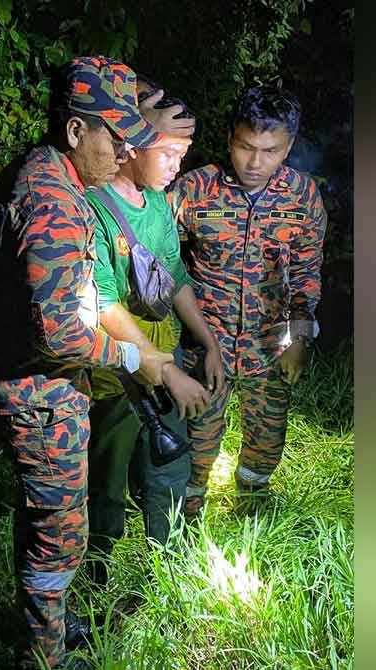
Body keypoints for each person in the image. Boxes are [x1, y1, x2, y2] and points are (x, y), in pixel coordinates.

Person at [0, 55, 173, 670]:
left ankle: (47, 624)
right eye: (116, 139)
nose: (126, 154)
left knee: (45, 524)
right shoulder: (53, 201)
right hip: (43, 400)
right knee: (60, 538)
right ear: (76, 130)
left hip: (46, 392)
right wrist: (133, 356)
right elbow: (58, 331)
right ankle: (46, 658)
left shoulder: (58, 180)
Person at [167, 85, 327, 520]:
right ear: (229, 138)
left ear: (288, 147)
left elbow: (307, 275)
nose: (255, 163)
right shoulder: (195, 190)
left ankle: (252, 510)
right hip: (206, 343)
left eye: (270, 150)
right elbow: (162, 261)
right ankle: (186, 521)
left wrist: (299, 339)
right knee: (198, 437)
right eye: (245, 147)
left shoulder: (302, 197)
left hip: (270, 345)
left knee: (266, 437)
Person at [84, 91, 223, 585]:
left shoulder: (159, 203)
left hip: (164, 351)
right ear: (131, 145)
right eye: (167, 153)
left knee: (169, 461)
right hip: (115, 368)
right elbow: (103, 304)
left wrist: (207, 343)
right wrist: (163, 370)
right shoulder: (93, 207)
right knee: (106, 472)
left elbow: (175, 277)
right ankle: (95, 571)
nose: (175, 166)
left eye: (182, 156)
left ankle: (170, 565)